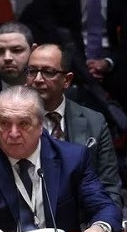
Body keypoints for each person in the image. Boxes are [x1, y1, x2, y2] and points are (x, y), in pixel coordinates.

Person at [0, 86, 121, 232]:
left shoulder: (72, 158)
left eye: (23, 123)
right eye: (5, 123)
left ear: (41, 126)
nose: (13, 133)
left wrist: (100, 228)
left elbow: (105, 207)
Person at [24, 43, 122, 207]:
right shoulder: (11, 121)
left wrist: (102, 224)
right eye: (32, 71)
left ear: (67, 80)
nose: (38, 79)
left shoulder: (95, 122)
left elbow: (110, 188)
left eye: (48, 72)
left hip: (84, 223)